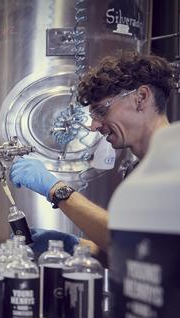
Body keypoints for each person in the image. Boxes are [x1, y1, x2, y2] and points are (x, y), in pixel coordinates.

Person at [10, 52, 175, 253]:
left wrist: (58, 191)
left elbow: (137, 243)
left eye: (101, 111)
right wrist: (72, 247)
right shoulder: (138, 172)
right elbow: (136, 255)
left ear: (140, 98)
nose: (94, 126)